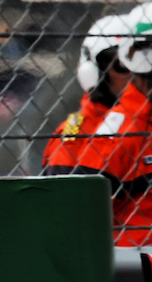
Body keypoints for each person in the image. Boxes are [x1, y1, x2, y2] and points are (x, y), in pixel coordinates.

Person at [75, 2, 152, 247]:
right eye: (120, 65)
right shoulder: (118, 130)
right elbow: (74, 214)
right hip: (135, 265)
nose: (129, 73)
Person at [42, 12, 133, 173]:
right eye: (122, 66)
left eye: (143, 63)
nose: (136, 75)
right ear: (94, 71)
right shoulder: (75, 139)